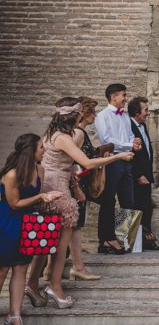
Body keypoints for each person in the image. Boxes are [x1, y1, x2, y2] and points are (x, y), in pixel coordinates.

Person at [27, 98, 133, 309]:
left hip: (49, 188)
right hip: (59, 193)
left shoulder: (49, 134)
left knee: (45, 243)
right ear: (74, 116)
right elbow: (86, 163)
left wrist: (74, 184)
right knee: (60, 244)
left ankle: (32, 284)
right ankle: (55, 287)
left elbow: (60, 164)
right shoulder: (64, 138)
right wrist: (118, 156)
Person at [0, 134, 62, 325]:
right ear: (30, 150)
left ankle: (15, 316)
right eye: (41, 147)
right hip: (8, 224)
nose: (44, 150)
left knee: (20, 270)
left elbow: (36, 201)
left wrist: (48, 200)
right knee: (2, 270)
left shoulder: (40, 170)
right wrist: (40, 196)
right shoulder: (11, 175)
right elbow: (14, 204)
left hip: (28, 226)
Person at [95, 83, 142, 254]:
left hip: (127, 161)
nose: (126, 98)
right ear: (113, 96)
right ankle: (106, 239)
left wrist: (135, 143)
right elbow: (106, 140)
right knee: (108, 200)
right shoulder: (102, 116)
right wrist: (129, 144)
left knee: (128, 200)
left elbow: (130, 136)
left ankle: (124, 239)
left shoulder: (125, 117)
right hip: (112, 160)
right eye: (123, 95)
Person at [66, 96, 102, 280]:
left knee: (73, 227)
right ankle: (78, 267)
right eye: (93, 112)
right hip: (76, 186)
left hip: (80, 184)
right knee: (75, 227)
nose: (95, 115)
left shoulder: (81, 133)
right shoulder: (78, 133)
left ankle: (51, 268)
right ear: (84, 114)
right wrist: (77, 188)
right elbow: (72, 163)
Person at [129, 96, 159, 250]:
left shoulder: (143, 126)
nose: (148, 113)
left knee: (146, 208)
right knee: (134, 206)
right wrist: (138, 175)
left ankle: (147, 241)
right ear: (137, 112)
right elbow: (129, 153)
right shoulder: (129, 126)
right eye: (145, 110)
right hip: (136, 177)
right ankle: (129, 242)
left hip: (146, 175)